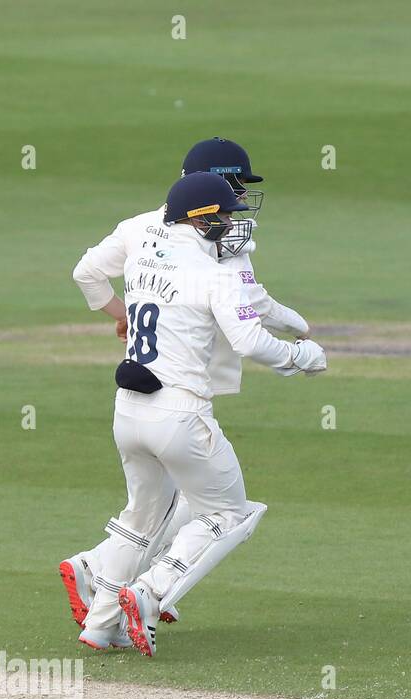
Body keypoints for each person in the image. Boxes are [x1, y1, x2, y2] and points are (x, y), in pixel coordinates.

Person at [61, 137, 311, 634]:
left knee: (148, 511)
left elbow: (85, 272)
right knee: (220, 510)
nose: (239, 202)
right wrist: (300, 350)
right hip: (183, 399)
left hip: (132, 398)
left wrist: (124, 316)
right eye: (234, 187)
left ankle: (102, 611)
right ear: (205, 203)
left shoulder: (142, 233)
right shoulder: (216, 256)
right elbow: (249, 323)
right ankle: (147, 593)